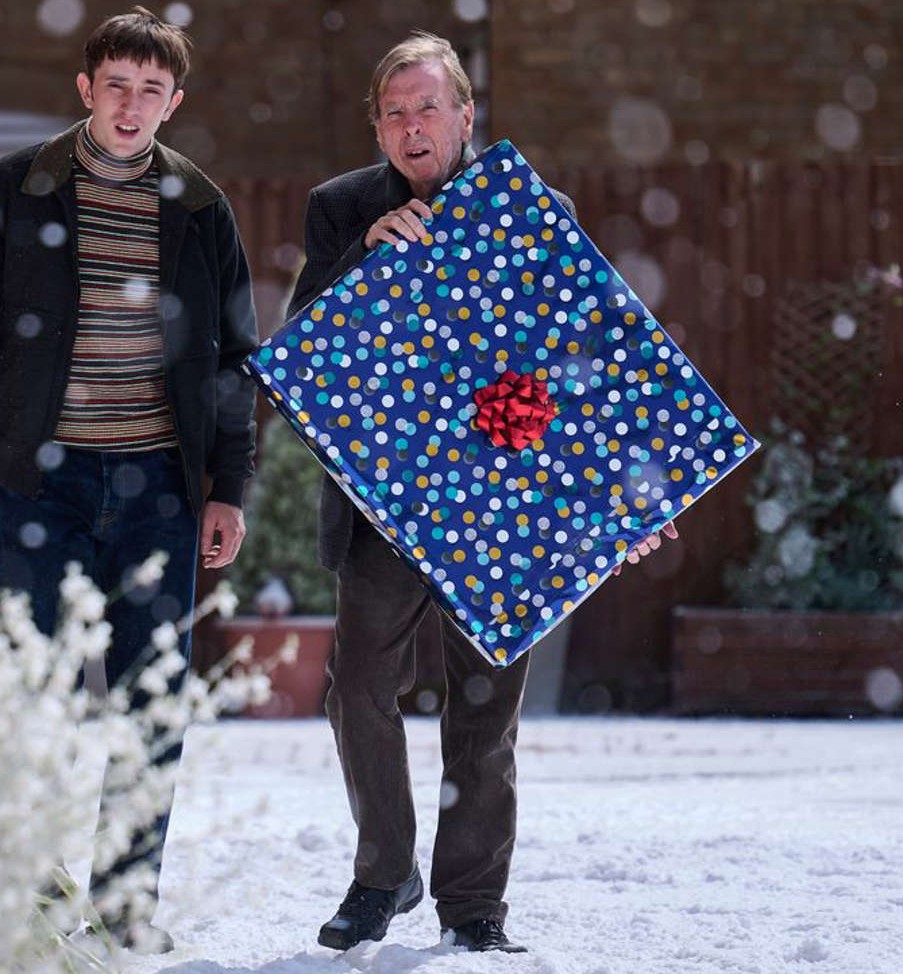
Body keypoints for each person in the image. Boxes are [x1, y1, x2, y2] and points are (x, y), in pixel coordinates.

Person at [286, 31, 678, 955]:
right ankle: (385, 874)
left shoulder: (534, 208)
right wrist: (361, 261)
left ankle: (473, 909)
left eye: (430, 108)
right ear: (376, 128)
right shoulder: (339, 208)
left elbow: (591, 361)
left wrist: (630, 490)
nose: (413, 126)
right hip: (387, 502)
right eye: (396, 112)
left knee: (485, 708)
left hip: (505, 504)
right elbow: (300, 350)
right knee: (358, 689)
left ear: (466, 117)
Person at [0, 6, 258, 952]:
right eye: (117, 85)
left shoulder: (201, 208)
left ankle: (124, 900)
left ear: (173, 102)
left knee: (152, 696)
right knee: (30, 689)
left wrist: (228, 486)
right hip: (42, 481)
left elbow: (237, 360)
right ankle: (22, 888)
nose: (131, 105)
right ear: (86, 88)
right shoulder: (15, 189)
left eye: (152, 91)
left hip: (160, 486)